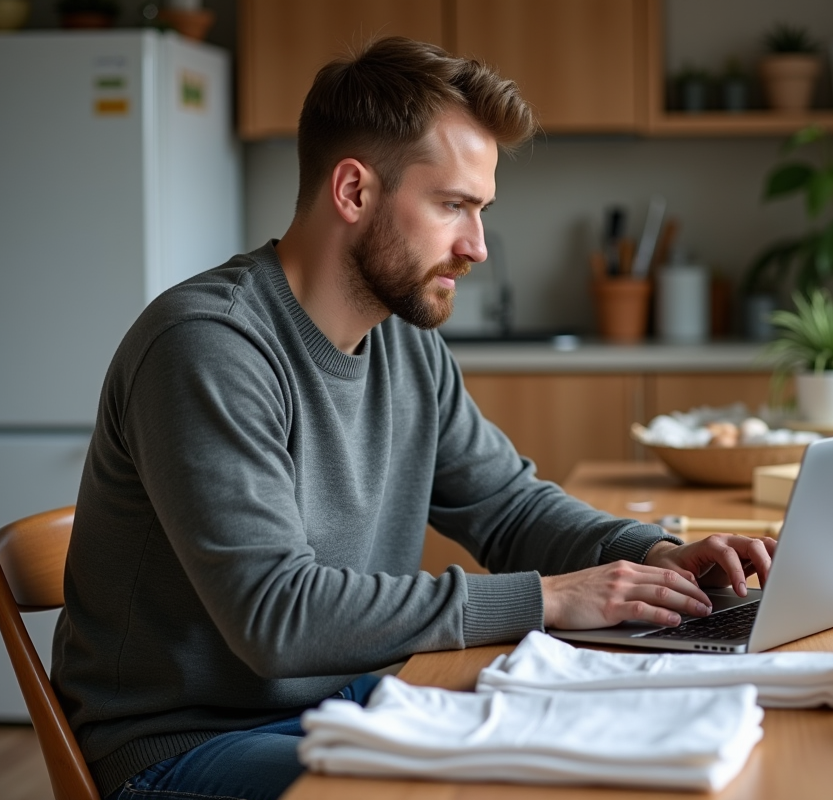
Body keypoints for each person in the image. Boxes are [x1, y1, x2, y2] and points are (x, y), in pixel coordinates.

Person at [52, 36, 777, 800]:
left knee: (621, 741)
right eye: (453, 205)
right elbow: (276, 616)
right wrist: (551, 597)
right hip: (186, 745)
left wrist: (654, 555)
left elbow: (507, 506)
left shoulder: (403, 344)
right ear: (354, 192)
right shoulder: (208, 346)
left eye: (481, 210)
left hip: (350, 701)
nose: (478, 247)